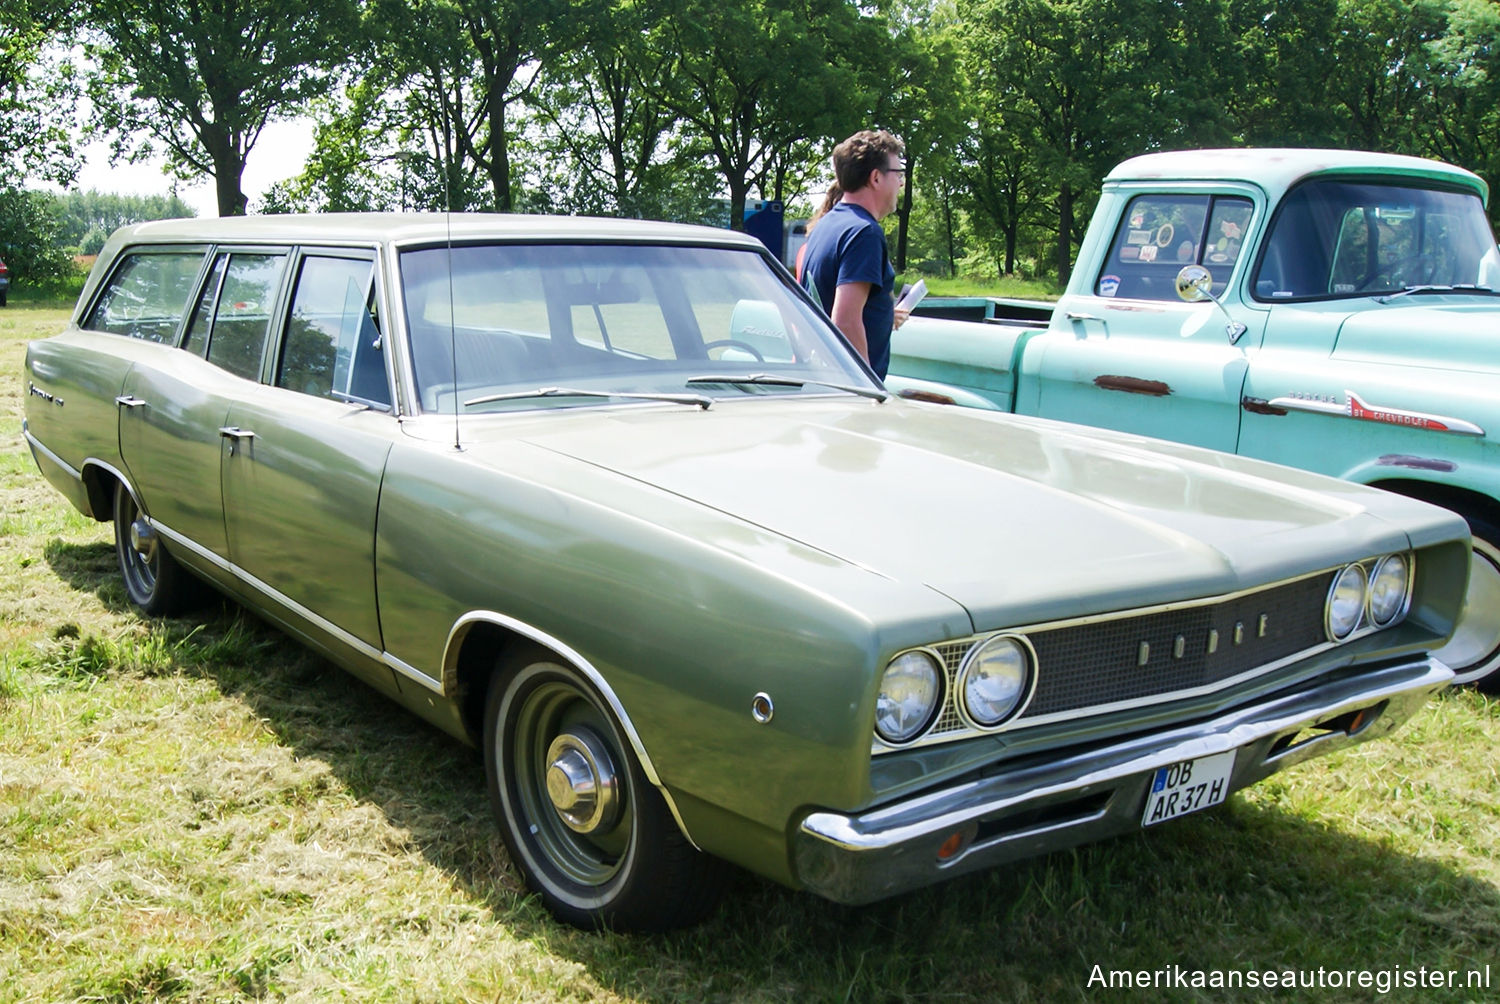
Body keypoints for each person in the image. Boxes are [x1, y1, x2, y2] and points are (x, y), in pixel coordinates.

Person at [799, 130, 908, 378]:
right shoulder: (864, 233)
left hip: (820, 379)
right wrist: (867, 389)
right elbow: (845, 322)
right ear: (876, 178)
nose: (900, 183)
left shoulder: (825, 227)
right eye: (897, 174)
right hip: (847, 391)